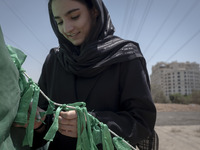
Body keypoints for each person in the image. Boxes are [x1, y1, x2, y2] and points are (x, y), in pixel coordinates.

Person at [32, 0, 157, 149]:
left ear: (94, 11)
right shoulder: (54, 60)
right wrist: (38, 124)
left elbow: (142, 122)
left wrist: (92, 125)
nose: (67, 28)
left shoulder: (125, 56)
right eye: (59, 22)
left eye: (74, 16)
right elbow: (44, 121)